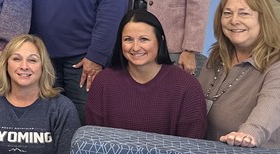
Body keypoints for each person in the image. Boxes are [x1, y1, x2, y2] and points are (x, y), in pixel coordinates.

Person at [198, 0, 280, 149]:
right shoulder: (217, 57)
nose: (234, 20)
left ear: (262, 20)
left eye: (244, 13)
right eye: (227, 13)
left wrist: (249, 134)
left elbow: (271, 107)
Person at [86, 9, 206, 139]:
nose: (135, 47)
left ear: (160, 40)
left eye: (144, 39)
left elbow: (191, 150)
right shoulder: (103, 82)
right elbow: (93, 143)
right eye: (128, 39)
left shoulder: (188, 87)